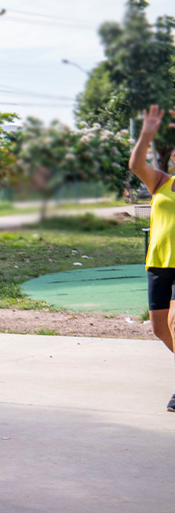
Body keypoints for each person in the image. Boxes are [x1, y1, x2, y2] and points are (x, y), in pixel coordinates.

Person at [128, 104, 175, 412]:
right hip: (158, 262)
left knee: (174, 321)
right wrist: (146, 133)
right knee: (160, 328)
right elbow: (135, 164)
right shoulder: (161, 182)